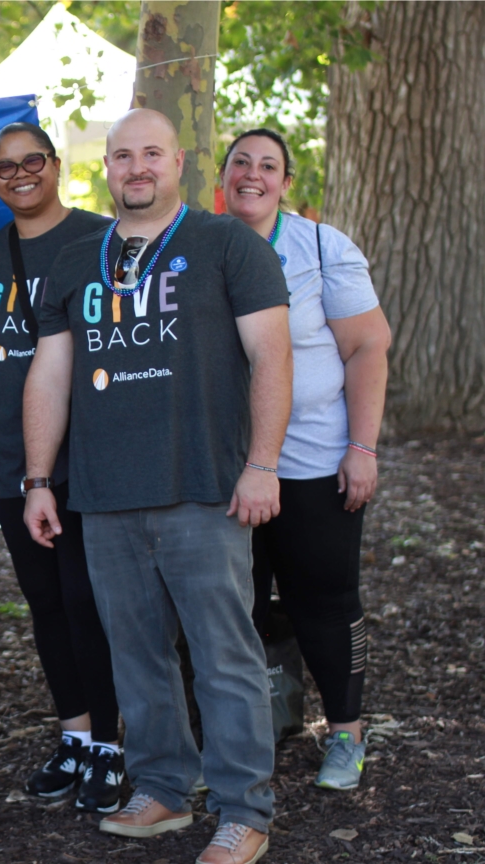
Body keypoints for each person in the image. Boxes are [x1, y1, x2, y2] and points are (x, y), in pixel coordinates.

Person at [23, 109, 292, 864]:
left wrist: (262, 464)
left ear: (179, 161)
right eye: (121, 156)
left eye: (150, 153)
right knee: (135, 654)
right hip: (105, 494)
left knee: (223, 655)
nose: (135, 167)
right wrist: (39, 478)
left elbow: (272, 358)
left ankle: (245, 812)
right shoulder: (77, 259)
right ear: (104, 168)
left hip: (204, 486)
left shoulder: (226, 244)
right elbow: (51, 371)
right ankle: (165, 788)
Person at [221, 128, 391, 791]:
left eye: (269, 166)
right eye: (241, 163)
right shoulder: (202, 243)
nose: (253, 174)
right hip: (225, 470)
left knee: (323, 599)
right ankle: (255, 729)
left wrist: (363, 449)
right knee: (239, 608)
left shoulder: (322, 247)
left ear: (286, 182)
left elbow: (367, 349)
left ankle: (345, 732)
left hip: (315, 463)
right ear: (223, 175)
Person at [0, 122, 122, 810]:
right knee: (47, 606)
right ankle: (76, 736)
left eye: (34, 161)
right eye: (5, 168)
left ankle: (113, 746)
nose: (21, 174)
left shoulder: (100, 238)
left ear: (56, 166)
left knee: (91, 602)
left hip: (86, 457)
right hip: (8, 459)